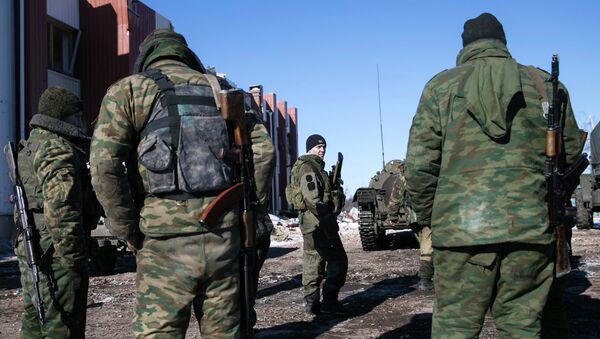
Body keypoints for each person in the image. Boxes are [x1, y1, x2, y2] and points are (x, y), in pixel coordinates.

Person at [405, 13, 584, 338]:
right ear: (502, 44)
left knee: (454, 330)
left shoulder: (440, 87)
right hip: (530, 232)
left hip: (459, 237)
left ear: (465, 47)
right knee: (523, 329)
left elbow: (419, 167)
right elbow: (569, 156)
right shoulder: (545, 85)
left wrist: (435, 217)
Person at [90, 29, 274, 338]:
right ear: (186, 56)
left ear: (147, 57)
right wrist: (247, 211)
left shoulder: (131, 90)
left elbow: (104, 166)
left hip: (163, 244)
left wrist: (129, 230)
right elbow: (264, 153)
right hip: (223, 239)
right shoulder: (225, 91)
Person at [15, 87, 99, 338]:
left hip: (34, 247)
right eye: (77, 117)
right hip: (55, 254)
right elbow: (61, 208)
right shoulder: (56, 148)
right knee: (63, 328)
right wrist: (73, 259)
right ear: (65, 118)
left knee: (34, 324)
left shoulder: (33, 144)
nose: (82, 123)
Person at [288, 134, 348, 317]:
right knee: (336, 259)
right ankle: (326, 301)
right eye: (318, 147)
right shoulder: (308, 167)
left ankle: (312, 304)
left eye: (324, 147)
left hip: (314, 223)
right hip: (318, 223)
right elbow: (311, 198)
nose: (322, 150)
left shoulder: (314, 167)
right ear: (310, 148)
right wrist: (327, 219)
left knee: (314, 261)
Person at [385, 161, 433, 290]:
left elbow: (395, 196)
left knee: (425, 245)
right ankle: (425, 279)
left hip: (412, 216)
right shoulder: (429, 170)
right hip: (427, 214)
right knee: (427, 247)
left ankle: (428, 274)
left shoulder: (404, 174)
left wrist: (393, 216)